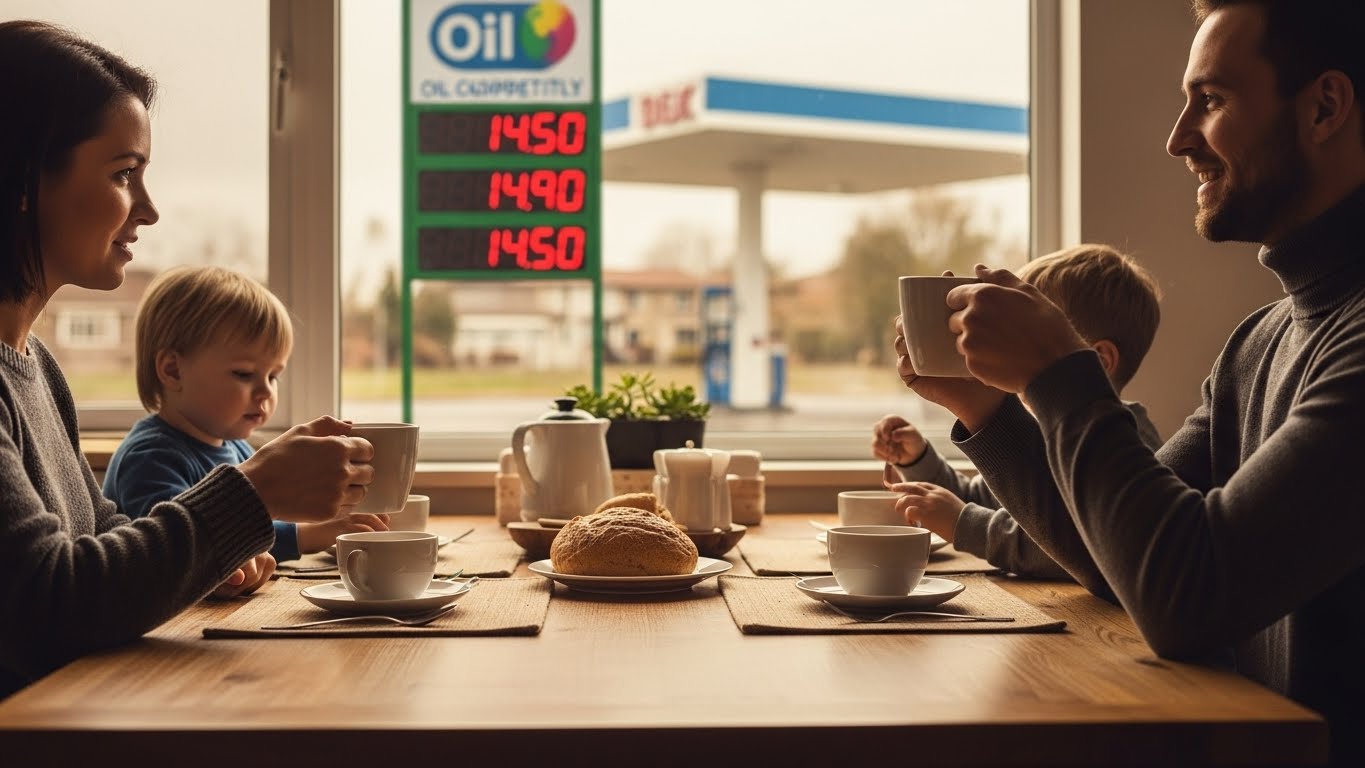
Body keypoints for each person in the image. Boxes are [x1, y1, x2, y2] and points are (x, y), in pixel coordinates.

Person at [890, 1, 1365, 761]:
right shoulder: (1260, 338)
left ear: (1324, 107)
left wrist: (1058, 371)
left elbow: (1189, 599)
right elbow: (1116, 564)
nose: (1176, 138)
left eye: (1209, 101)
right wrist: (985, 410)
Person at [0, 20, 375, 697]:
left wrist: (221, 552)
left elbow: (106, 537)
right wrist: (254, 494)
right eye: (123, 175)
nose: (148, 209)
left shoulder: (35, 365)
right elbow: (47, 606)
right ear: (23, 178)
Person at [873, 244, 1163, 579]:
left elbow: (1086, 550)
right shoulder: (1033, 430)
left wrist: (963, 524)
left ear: (1097, 360)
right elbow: (978, 499)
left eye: (1023, 332)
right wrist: (918, 460)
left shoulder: (1129, 445)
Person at [102, 266, 388, 564]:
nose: (266, 392)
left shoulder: (236, 448)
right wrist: (305, 535)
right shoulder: (150, 458)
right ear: (173, 370)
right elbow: (182, 548)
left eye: (273, 376)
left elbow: (250, 525)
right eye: (244, 374)